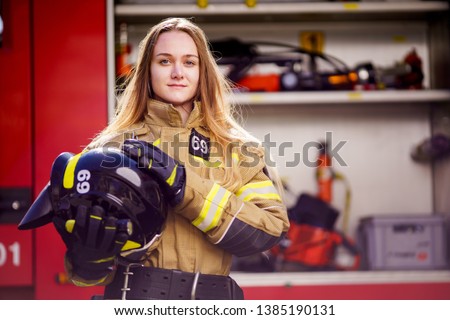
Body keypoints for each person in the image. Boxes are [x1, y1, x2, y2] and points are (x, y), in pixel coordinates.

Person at [58, 17, 289, 300]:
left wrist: (184, 185)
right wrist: (88, 261)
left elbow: (269, 230)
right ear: (147, 72)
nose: (178, 72)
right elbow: (89, 275)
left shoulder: (237, 149)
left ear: (203, 72)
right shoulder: (111, 149)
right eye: (165, 61)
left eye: (189, 62)